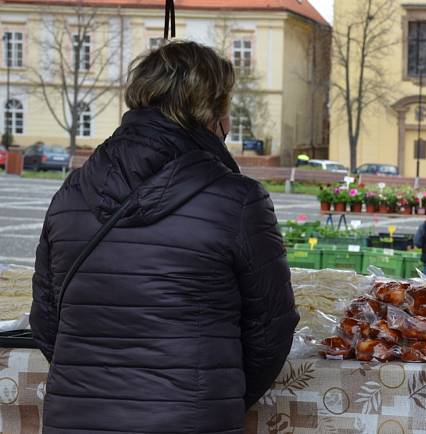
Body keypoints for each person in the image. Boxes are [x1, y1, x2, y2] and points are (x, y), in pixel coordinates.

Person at [30, 41, 299, 433]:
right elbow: (271, 330)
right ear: (214, 110)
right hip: (192, 418)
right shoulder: (237, 199)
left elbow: (47, 321)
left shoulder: (70, 193)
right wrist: (215, 395)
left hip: (78, 420)